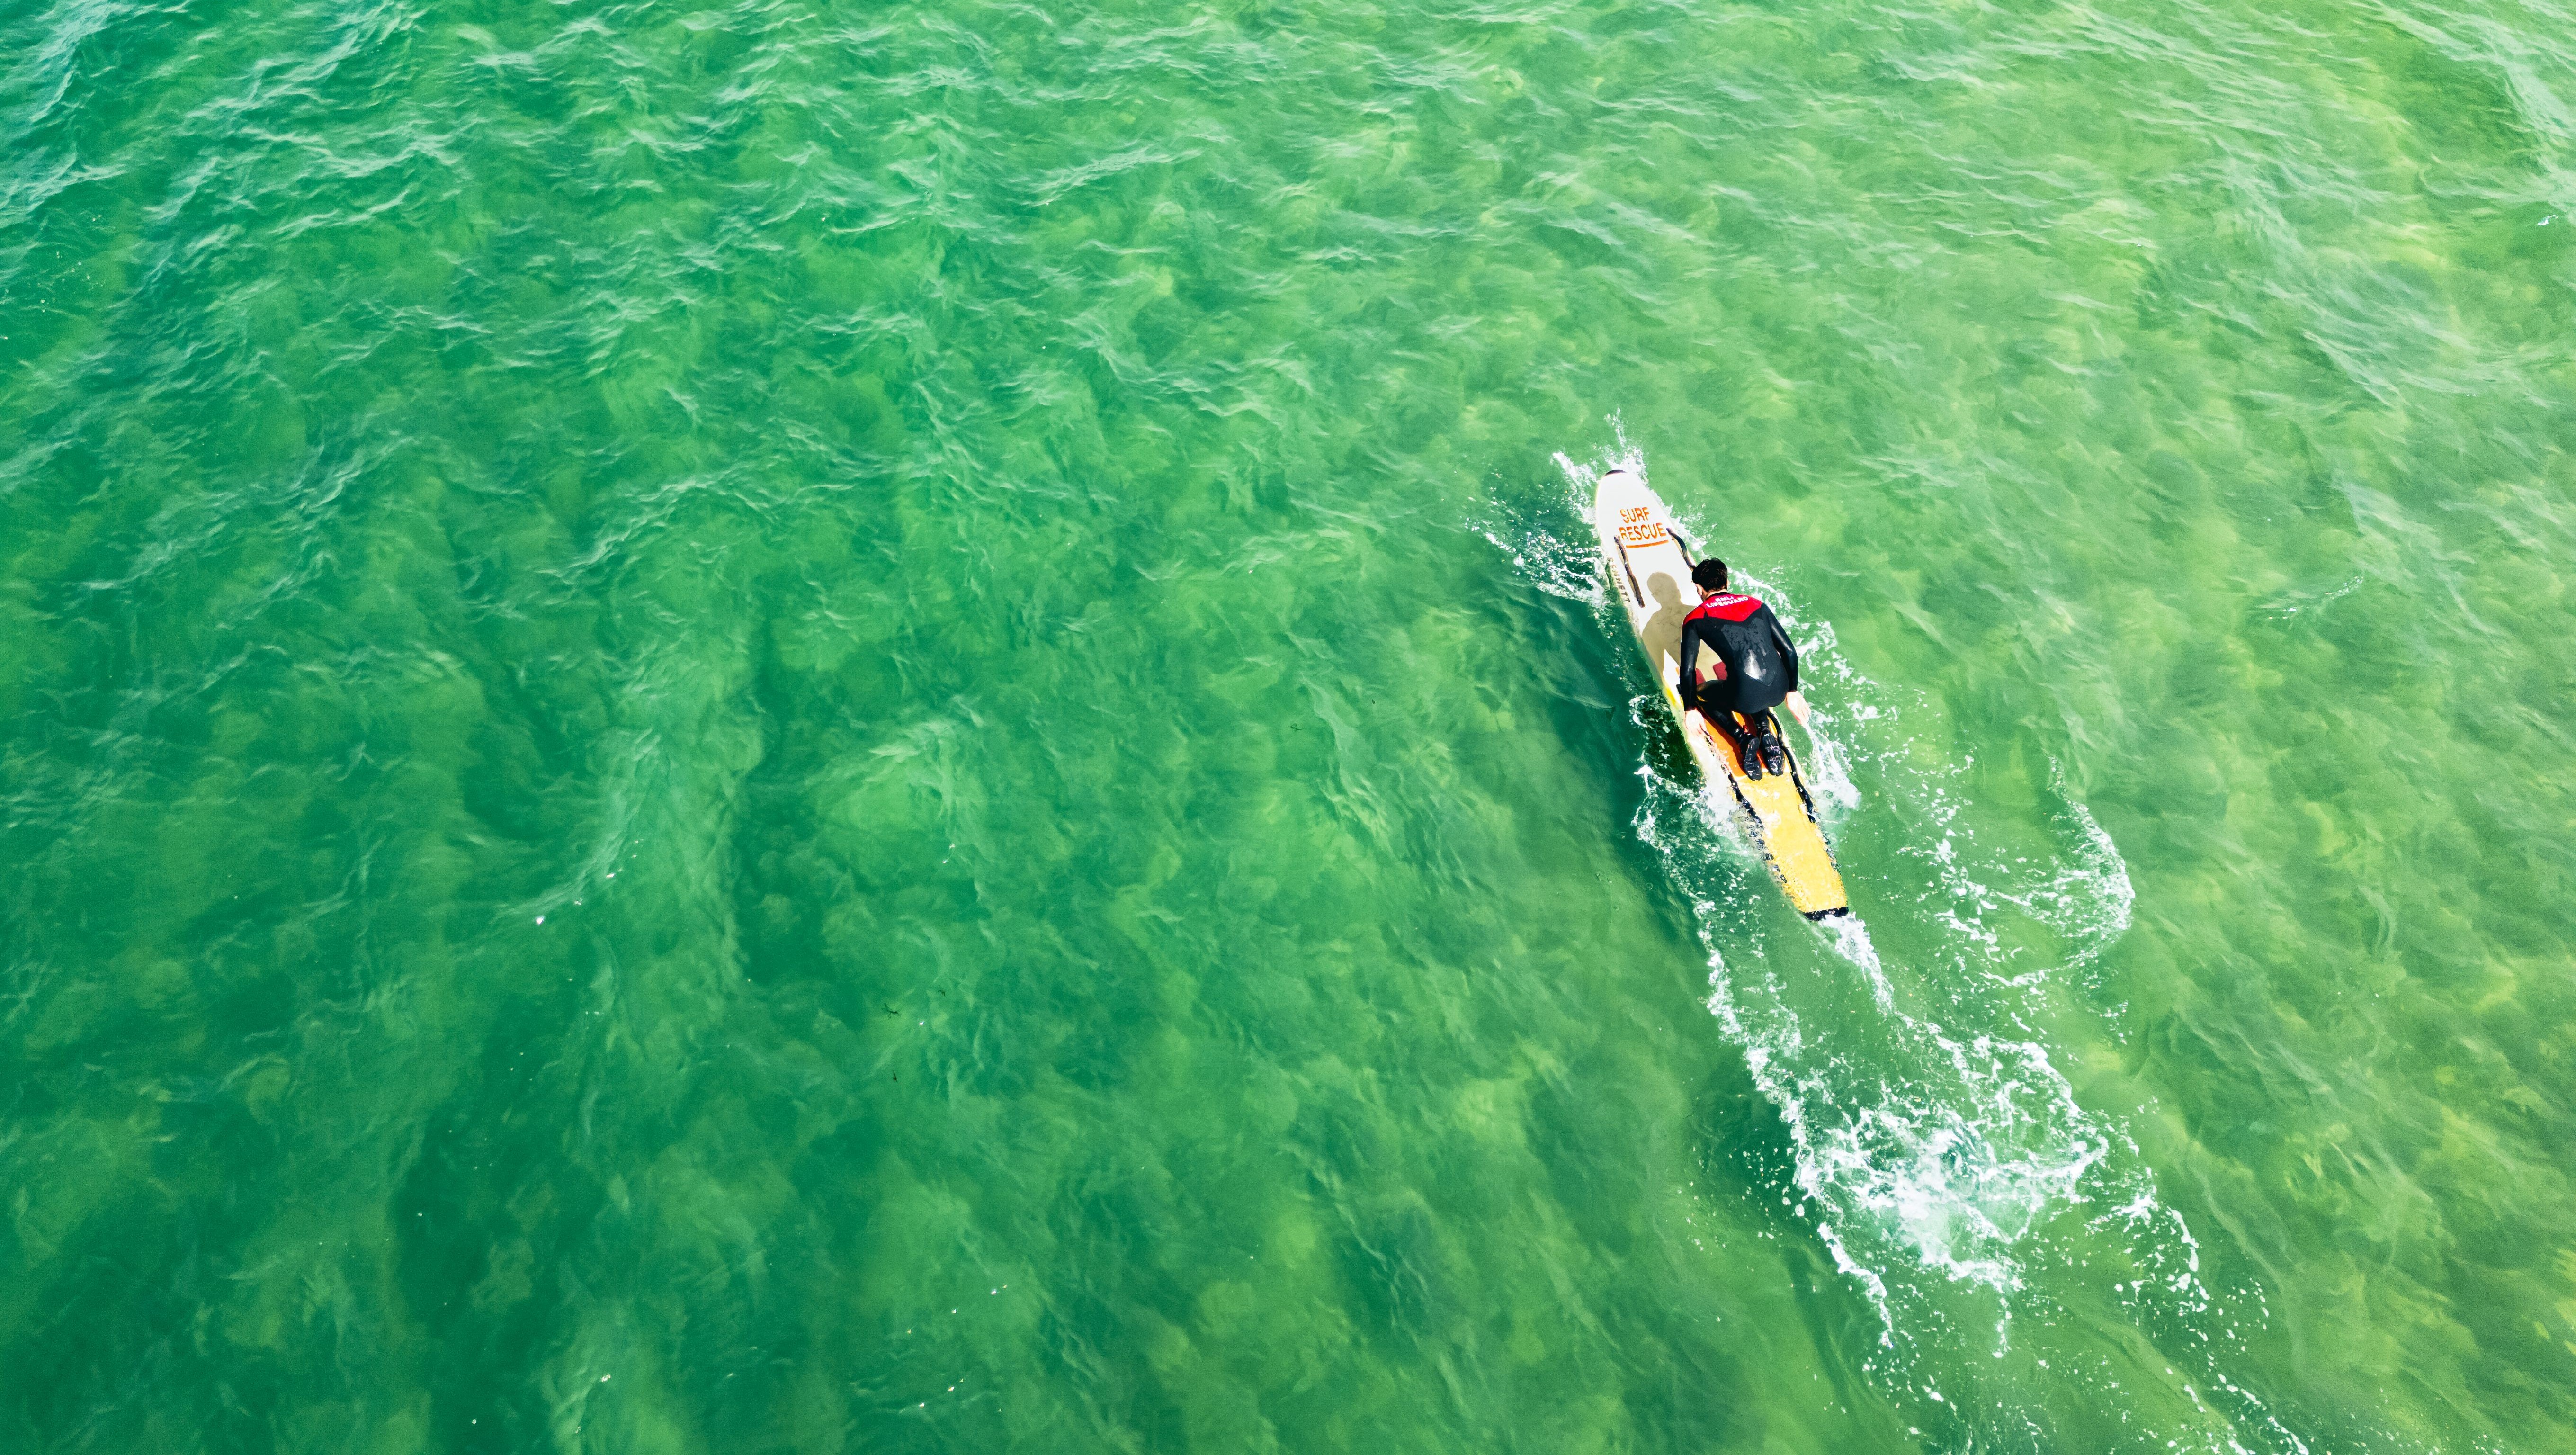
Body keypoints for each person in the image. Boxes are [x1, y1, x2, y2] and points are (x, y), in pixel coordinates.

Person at [1675, 557, 1809, 781]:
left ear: (1699, 588)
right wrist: (1793, 692)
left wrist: (1690, 710)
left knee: (1701, 694)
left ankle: (1743, 738)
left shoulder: (1697, 617)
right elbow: (1789, 651)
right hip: (1779, 689)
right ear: (1727, 582)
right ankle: (1765, 731)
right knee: (1752, 683)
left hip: (1744, 696)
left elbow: (1688, 671)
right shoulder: (1756, 603)